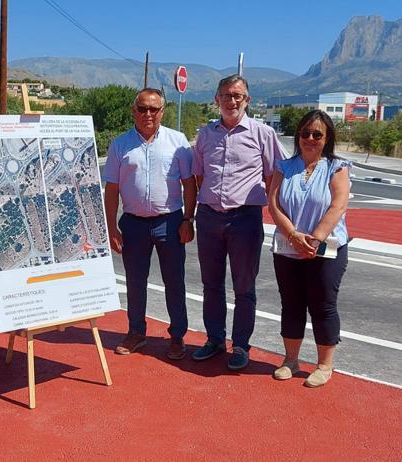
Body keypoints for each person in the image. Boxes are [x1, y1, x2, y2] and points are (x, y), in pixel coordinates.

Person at [191, 74, 287, 370]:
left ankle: (241, 346)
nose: (231, 101)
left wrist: (278, 215)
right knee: (211, 284)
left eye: (237, 96)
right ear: (216, 99)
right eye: (226, 95)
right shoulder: (205, 135)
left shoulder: (262, 133)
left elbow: (274, 176)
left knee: (244, 287)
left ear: (247, 100)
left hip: (245, 219)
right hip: (208, 217)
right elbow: (198, 175)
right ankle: (215, 339)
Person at [102, 88, 196, 359]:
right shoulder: (120, 145)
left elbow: (189, 184)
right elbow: (112, 189)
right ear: (134, 111)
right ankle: (136, 332)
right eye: (142, 108)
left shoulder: (178, 142)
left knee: (174, 281)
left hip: (170, 222)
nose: (147, 114)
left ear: (162, 112)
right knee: (135, 281)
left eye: (153, 109)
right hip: (133, 225)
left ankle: (177, 336)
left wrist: (188, 219)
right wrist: (112, 228)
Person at [266, 109, 351, 388]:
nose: (310, 138)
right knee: (291, 303)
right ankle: (290, 360)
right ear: (298, 136)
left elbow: (338, 205)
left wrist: (314, 240)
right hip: (288, 247)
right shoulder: (284, 166)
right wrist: (292, 236)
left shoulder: (336, 167)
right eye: (305, 133)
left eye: (317, 134)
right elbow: (274, 203)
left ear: (326, 139)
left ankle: (325, 365)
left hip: (324, 250)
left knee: (323, 305)